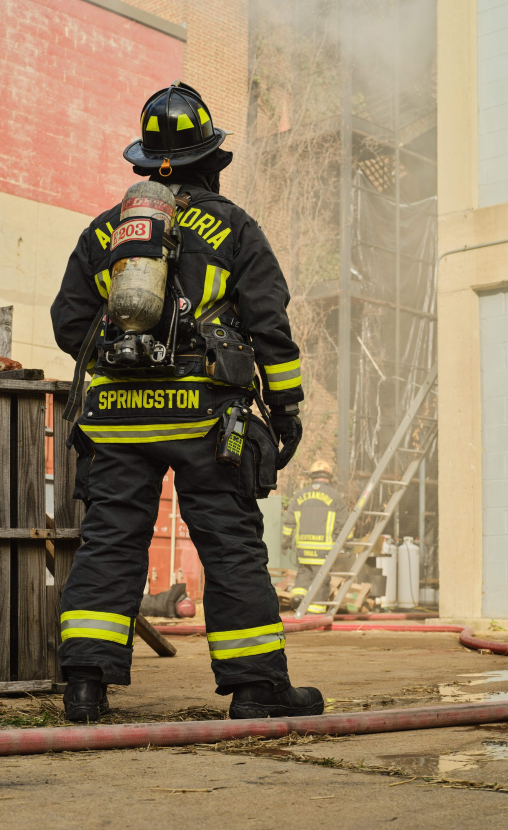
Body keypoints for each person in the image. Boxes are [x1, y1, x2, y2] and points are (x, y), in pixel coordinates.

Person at [51, 81, 323, 721]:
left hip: (117, 423)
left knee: (111, 542)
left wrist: (127, 366)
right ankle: (257, 689)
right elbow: (271, 330)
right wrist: (284, 413)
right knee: (229, 546)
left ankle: (85, 686)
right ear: (211, 160)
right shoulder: (233, 227)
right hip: (207, 419)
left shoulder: (105, 235)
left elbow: (70, 323)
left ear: (143, 163)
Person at [282, 460, 351, 614]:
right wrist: (349, 543)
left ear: (311, 476)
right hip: (323, 549)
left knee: (303, 575)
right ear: (328, 476)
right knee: (321, 580)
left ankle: (298, 599)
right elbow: (344, 524)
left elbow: (289, 522)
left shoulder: (299, 496)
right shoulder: (335, 497)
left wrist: (286, 542)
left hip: (303, 549)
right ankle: (315, 611)